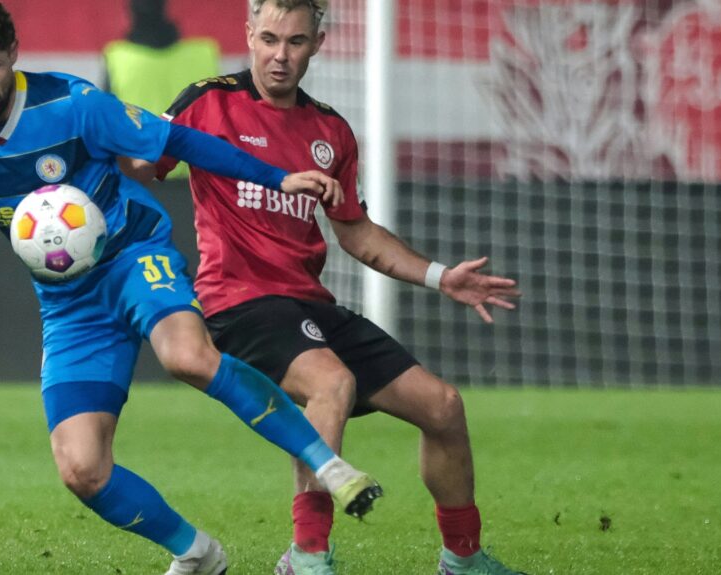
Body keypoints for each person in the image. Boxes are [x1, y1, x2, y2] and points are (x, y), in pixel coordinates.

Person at [0, 1, 384, 574]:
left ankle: (326, 465)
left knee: (188, 357)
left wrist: (279, 177)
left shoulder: (74, 105)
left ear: (13, 54)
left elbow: (179, 141)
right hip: (68, 303)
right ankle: (196, 552)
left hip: (132, 256)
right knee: (82, 468)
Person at [144, 1, 530, 573]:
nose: (280, 56)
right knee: (332, 383)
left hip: (308, 305)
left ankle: (463, 561)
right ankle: (306, 554)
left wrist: (439, 276)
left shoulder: (329, 130)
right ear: (248, 35)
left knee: (443, 406)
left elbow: (357, 234)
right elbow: (137, 164)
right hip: (239, 302)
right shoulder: (206, 104)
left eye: (296, 42)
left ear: (317, 44)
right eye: (269, 39)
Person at [103, 0, 219, 180]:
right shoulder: (204, 53)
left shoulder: (117, 58)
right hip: (199, 186)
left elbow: (103, 129)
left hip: (141, 184)